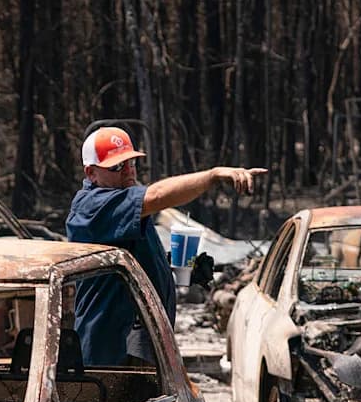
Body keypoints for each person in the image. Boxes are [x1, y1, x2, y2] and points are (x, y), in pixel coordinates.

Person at [65, 125, 266, 365]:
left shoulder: (123, 203)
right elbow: (158, 195)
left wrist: (173, 266)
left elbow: (126, 263)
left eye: (131, 162)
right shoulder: (92, 206)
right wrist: (212, 176)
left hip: (137, 343)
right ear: (91, 173)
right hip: (112, 349)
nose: (128, 171)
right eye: (117, 166)